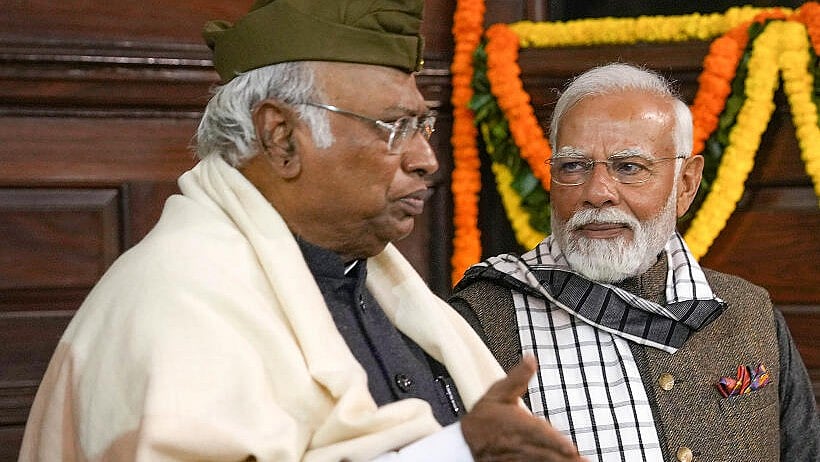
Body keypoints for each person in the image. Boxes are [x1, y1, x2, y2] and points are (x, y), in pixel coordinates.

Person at [18, 1, 589, 461]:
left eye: (423, 124)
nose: (426, 159)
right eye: (394, 127)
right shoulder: (175, 299)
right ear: (282, 138)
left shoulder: (378, 284)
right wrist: (458, 450)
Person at [449, 63, 820, 462]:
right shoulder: (481, 320)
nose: (598, 192)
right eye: (573, 166)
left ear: (686, 184)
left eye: (629, 167)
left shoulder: (748, 312)